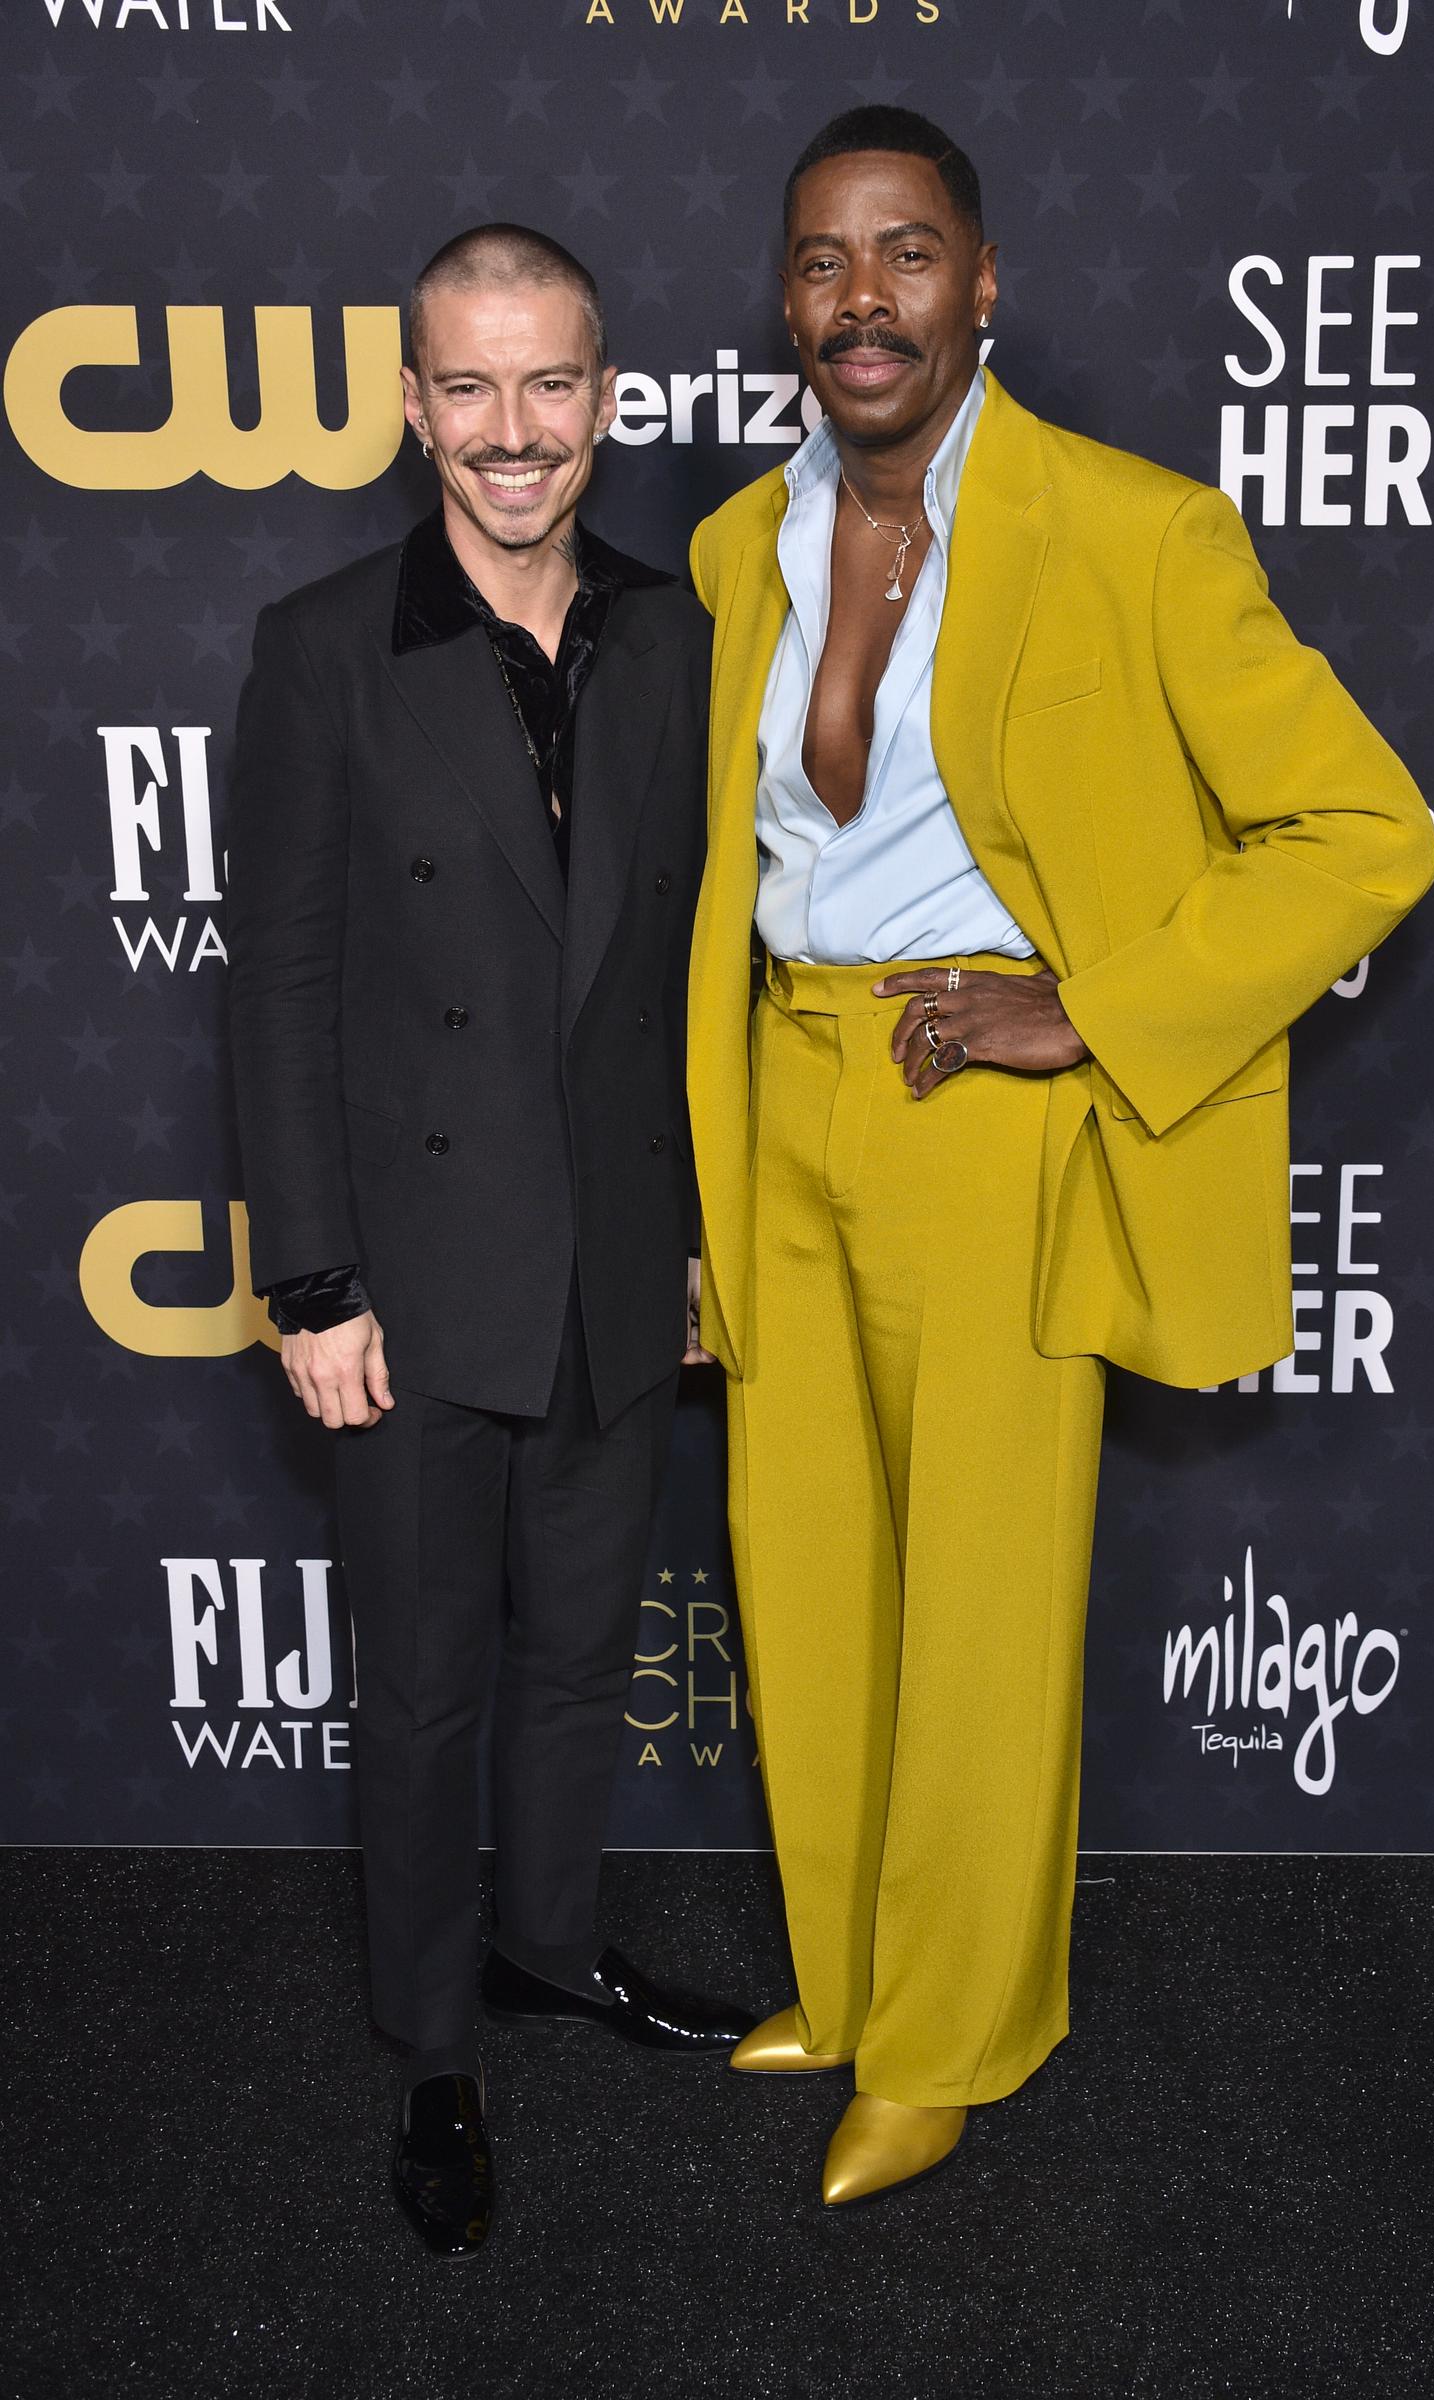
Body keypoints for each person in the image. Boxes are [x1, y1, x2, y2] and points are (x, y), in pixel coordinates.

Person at [685, 109, 1434, 2207]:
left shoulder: (1135, 533)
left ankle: (954, 2036)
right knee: (808, 1572)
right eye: (824, 259)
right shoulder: (742, 546)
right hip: (777, 1093)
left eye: (906, 253)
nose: (862, 297)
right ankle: (847, 1978)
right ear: (787, 298)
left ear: (983, 282)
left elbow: (1367, 834)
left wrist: (1089, 1008)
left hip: (982, 1110)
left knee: (984, 1607)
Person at [228, 223, 751, 2260]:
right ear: (415, 405)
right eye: (472, 387)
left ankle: (549, 1948)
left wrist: (701, 1239)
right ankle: (434, 2043)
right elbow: (270, 985)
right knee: (431, 1685)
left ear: (604, 399)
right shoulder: (320, 646)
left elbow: (696, 973)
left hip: (622, 1270)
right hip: (419, 1283)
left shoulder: (676, 635)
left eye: (551, 386)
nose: (513, 432)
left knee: (577, 1668)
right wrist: (313, 1279)